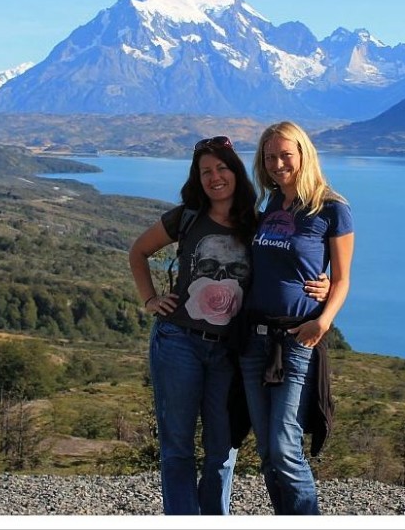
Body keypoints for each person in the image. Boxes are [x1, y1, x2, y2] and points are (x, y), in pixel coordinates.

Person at [128, 136, 329, 515]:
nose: (214, 177)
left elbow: (286, 263)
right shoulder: (186, 216)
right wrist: (151, 299)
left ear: (236, 172)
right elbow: (138, 251)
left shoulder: (258, 222)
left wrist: (327, 282)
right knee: (178, 448)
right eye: (205, 171)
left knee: (223, 449)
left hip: (229, 351)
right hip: (178, 343)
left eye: (221, 168)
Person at [238, 121, 355, 515]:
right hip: (254, 339)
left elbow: (341, 280)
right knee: (268, 450)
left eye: (285, 155)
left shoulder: (332, 209)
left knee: (285, 447)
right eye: (269, 157)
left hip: (297, 339)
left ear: (304, 154)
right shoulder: (269, 205)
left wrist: (324, 321)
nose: (277, 164)